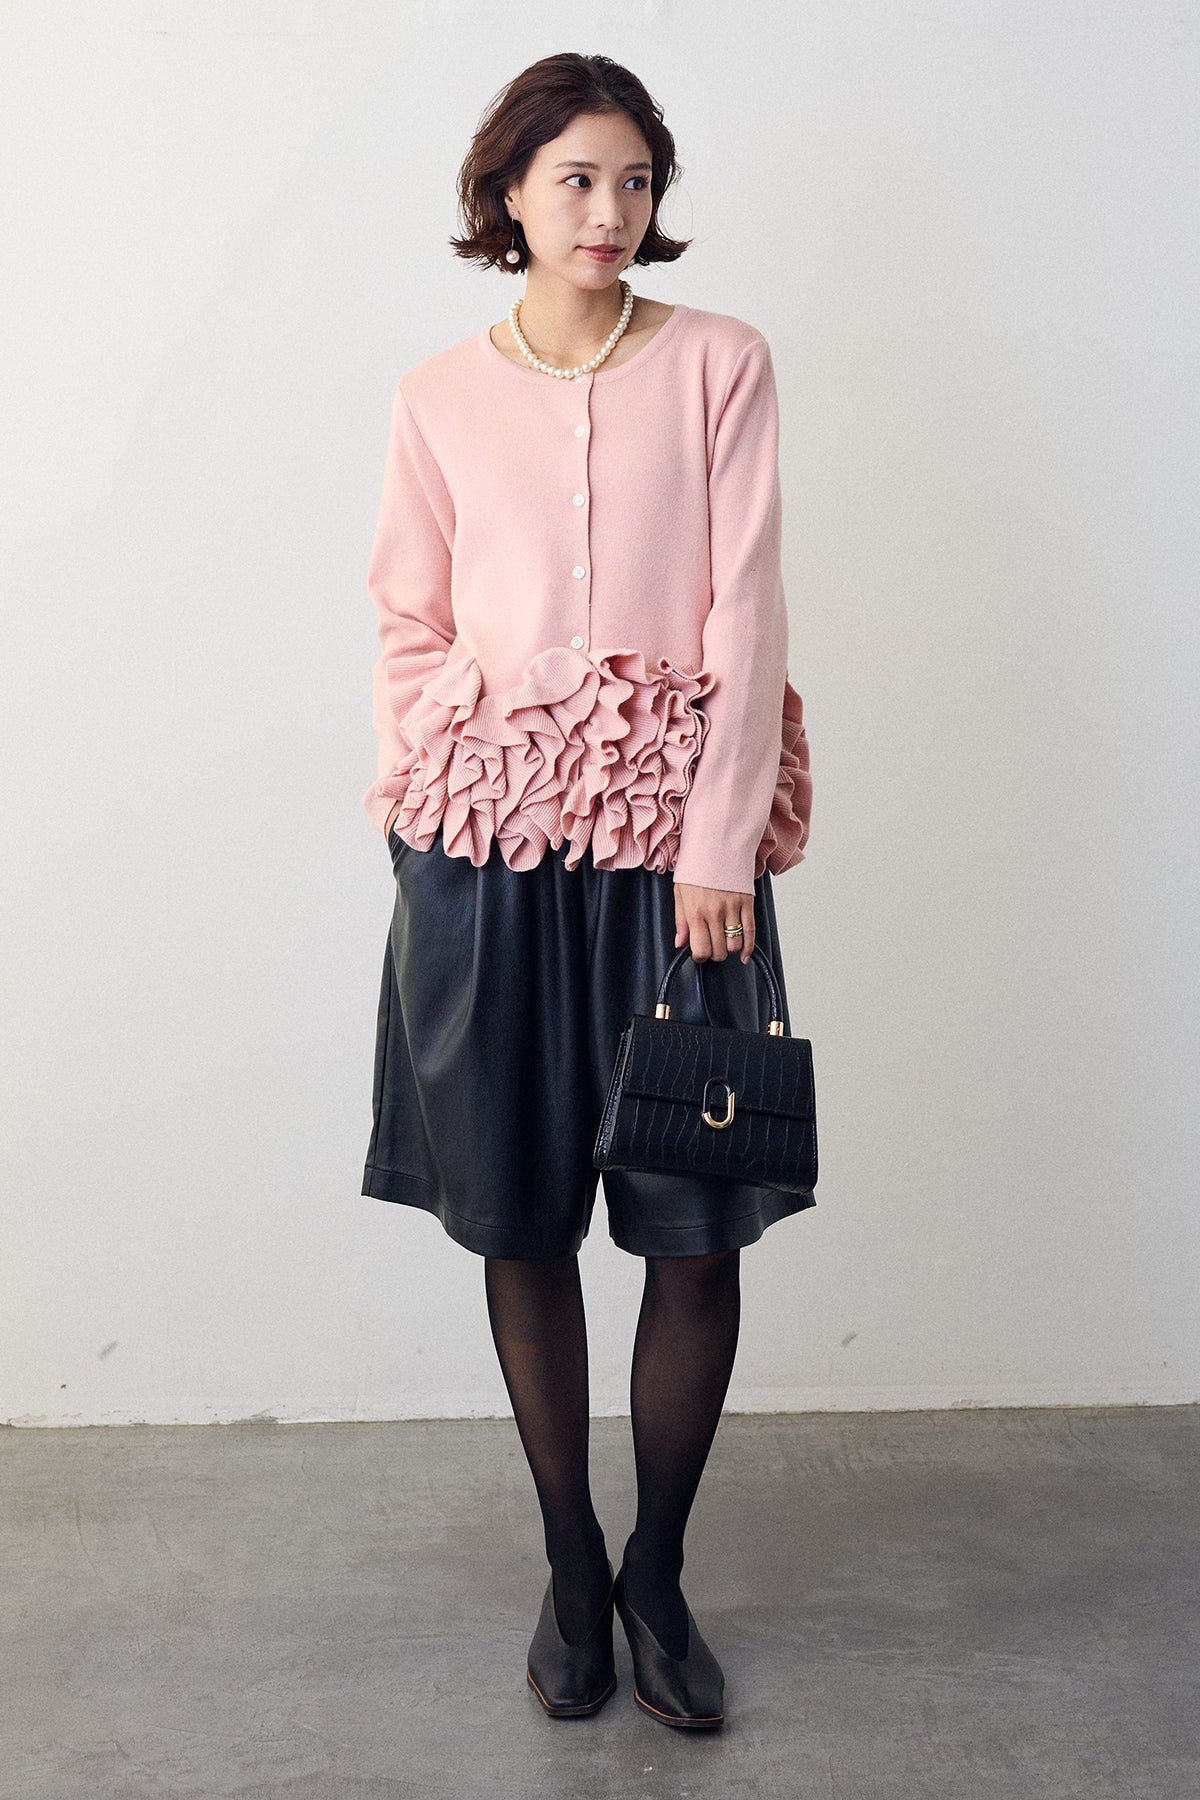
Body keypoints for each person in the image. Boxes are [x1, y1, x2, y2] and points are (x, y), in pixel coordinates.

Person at [359, 52, 814, 1731]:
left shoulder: (721, 364)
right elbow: (407, 624)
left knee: (695, 1231)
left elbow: (747, 604)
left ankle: (659, 1575)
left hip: (677, 868)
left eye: (634, 180)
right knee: (519, 1213)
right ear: (509, 195)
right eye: (576, 180)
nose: (610, 211)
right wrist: (439, 793)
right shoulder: (435, 396)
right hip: (487, 866)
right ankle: (570, 1564)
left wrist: (720, 842)